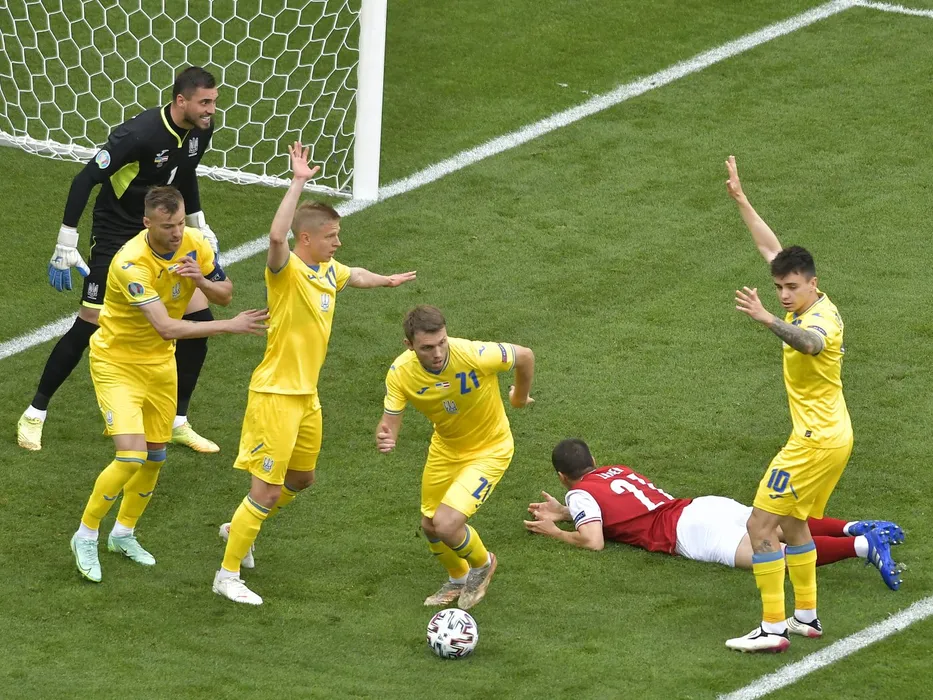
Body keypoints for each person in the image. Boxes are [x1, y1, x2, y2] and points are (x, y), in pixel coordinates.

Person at [212, 142, 416, 606]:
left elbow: (353, 274)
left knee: (302, 479)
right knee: (265, 490)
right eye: (331, 236)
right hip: (275, 395)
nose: (337, 243)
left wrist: (385, 280)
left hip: (306, 396)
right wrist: (298, 181)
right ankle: (226, 574)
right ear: (307, 239)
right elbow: (275, 237)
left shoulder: (327, 271)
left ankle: (238, 527)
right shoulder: (286, 271)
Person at [18, 66, 225, 454]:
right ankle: (35, 412)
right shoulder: (138, 135)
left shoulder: (201, 129)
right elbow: (85, 179)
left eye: (213, 102)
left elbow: (186, 173)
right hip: (117, 232)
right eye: (205, 102)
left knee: (199, 322)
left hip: (162, 233)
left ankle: (176, 421)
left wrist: (199, 223)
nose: (211, 109)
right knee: (91, 322)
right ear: (181, 100)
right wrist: (66, 239)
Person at [70, 186, 268, 583]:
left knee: (156, 455)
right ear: (147, 223)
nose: (177, 232)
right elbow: (165, 327)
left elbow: (226, 294)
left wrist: (202, 281)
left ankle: (123, 534)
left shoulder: (195, 243)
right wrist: (228, 327)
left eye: (179, 223)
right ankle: (86, 534)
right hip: (118, 364)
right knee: (131, 455)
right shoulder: (130, 264)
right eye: (167, 226)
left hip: (161, 365)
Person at [722, 155, 856, 652]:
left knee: (760, 524)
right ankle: (807, 618)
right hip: (833, 435)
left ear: (813, 283)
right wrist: (742, 199)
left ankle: (772, 629)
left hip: (813, 442)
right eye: (778, 288)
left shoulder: (819, 321)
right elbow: (770, 247)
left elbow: (811, 345)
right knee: (795, 522)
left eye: (791, 287)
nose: (782, 294)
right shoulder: (810, 298)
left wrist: (765, 319)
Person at [524, 439, 903, 588]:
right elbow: (620, 507)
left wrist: (556, 531)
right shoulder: (616, 470)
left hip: (689, 532)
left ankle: (862, 546)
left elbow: (593, 541)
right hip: (701, 505)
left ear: (562, 477)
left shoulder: (580, 493)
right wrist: (566, 512)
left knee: (771, 556)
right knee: (778, 526)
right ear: (594, 459)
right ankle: (856, 527)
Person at [375, 305, 535, 610]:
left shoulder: (474, 354)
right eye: (427, 347)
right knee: (430, 525)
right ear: (409, 345)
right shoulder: (400, 373)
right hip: (446, 449)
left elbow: (525, 355)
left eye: (442, 343)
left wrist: (518, 398)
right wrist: (387, 436)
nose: (437, 353)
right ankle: (458, 577)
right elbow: (390, 420)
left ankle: (483, 564)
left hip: (490, 449)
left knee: (447, 524)